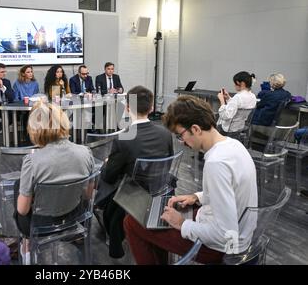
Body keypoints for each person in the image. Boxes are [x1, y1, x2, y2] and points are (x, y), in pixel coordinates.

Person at [124, 95, 258, 265]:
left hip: (222, 248)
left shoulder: (216, 163)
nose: (182, 142)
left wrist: (181, 223)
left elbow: (224, 236)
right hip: (237, 233)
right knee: (160, 215)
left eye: (180, 136)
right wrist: (197, 197)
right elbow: (232, 191)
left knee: (132, 222)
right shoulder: (233, 145)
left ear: (195, 129)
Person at [13, 102, 95, 264]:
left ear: (34, 129)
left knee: (18, 188)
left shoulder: (32, 161)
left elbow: (22, 210)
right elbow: (88, 195)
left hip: (41, 224)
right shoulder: (86, 153)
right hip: (75, 217)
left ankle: (27, 247)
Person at [100, 86, 174, 258]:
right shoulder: (165, 133)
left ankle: (111, 229)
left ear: (127, 108)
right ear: (152, 108)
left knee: (104, 176)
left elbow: (109, 176)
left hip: (132, 194)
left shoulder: (124, 138)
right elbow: (168, 162)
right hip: (159, 188)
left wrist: (108, 164)